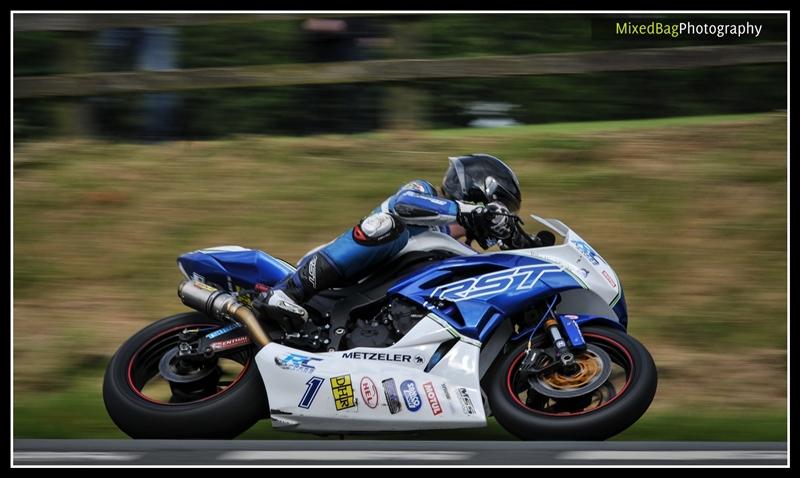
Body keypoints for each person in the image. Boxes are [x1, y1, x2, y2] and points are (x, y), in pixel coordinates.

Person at [257, 153, 539, 323]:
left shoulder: (459, 252)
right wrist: (470, 212)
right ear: (479, 194)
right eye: (499, 208)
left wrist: (523, 243)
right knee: (387, 225)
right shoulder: (423, 192)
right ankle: (289, 291)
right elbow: (403, 203)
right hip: (337, 282)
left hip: (372, 309)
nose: (498, 215)